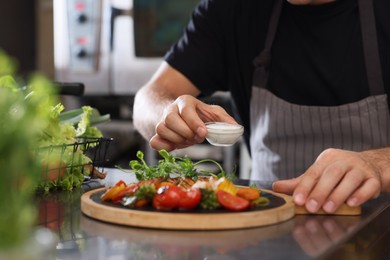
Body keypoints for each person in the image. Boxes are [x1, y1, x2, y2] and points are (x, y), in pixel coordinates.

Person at [133, 0, 390, 214]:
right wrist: (169, 113)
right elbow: (147, 100)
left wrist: (377, 164)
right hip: (266, 232)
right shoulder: (233, 9)